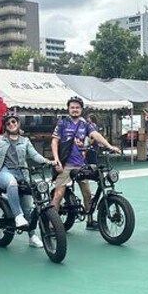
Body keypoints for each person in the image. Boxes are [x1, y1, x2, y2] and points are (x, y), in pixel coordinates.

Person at [0, 111, 59, 248]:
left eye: (13, 122)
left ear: (18, 123)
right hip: (4, 173)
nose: (11, 124)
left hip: (22, 174)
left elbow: (35, 155)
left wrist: (49, 162)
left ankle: (32, 236)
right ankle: (18, 216)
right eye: (8, 123)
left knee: (28, 206)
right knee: (12, 183)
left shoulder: (25, 141)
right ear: (5, 126)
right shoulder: (0, 140)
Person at [51, 97, 120, 230]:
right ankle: (51, 223)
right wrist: (56, 160)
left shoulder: (85, 125)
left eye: (77, 107)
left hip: (81, 164)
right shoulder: (62, 123)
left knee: (87, 193)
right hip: (66, 165)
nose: (75, 110)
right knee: (59, 194)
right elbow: (54, 141)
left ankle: (90, 220)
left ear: (81, 109)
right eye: (72, 107)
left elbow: (96, 135)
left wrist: (109, 145)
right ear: (68, 109)